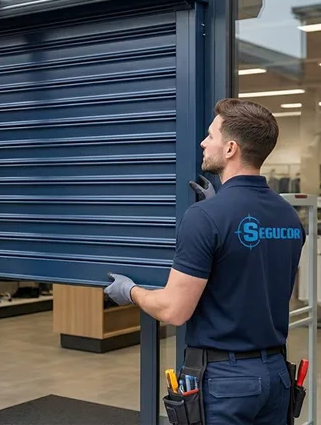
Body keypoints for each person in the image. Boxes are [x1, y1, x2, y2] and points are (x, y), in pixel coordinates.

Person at [105, 98, 305, 424]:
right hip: (276, 377)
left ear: (230, 148)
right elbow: (255, 273)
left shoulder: (204, 217)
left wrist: (130, 291)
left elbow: (174, 310)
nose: (202, 142)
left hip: (226, 383)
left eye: (211, 135)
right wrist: (221, 208)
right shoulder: (289, 216)